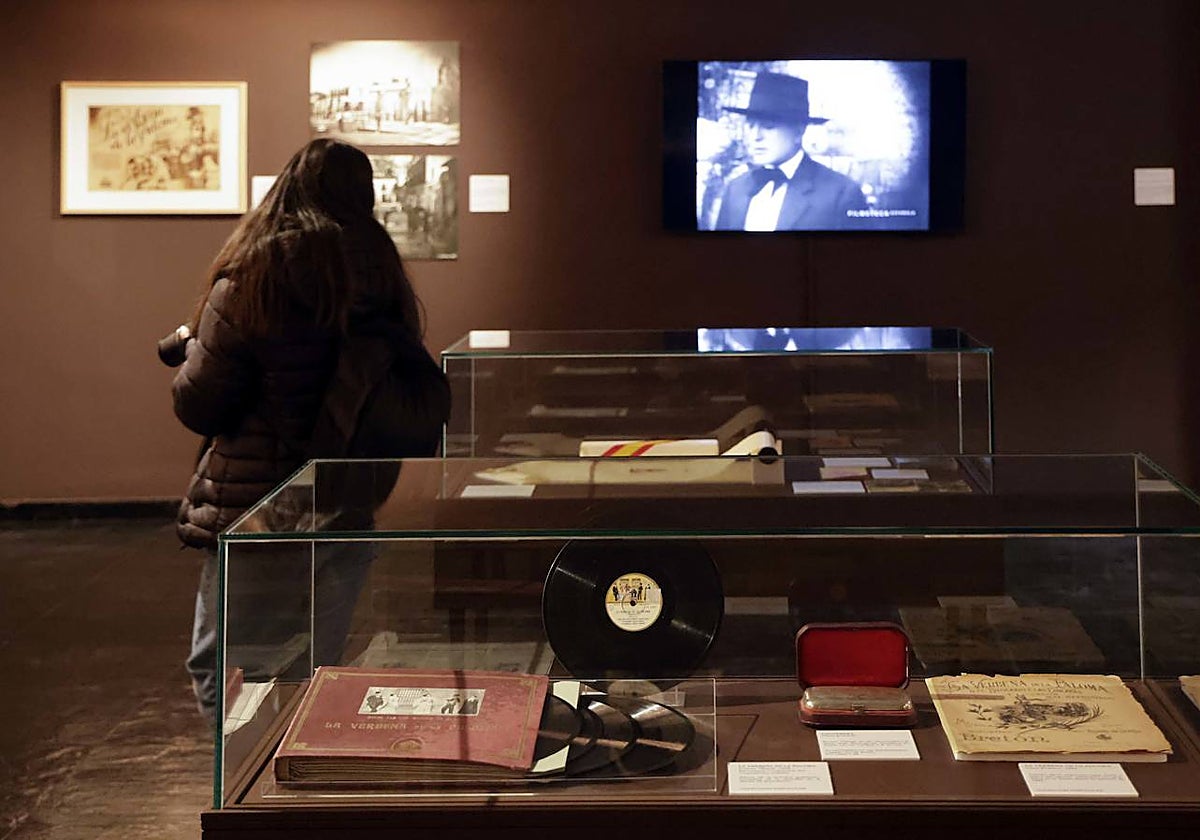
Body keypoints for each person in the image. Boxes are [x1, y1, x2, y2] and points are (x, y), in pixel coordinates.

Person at [171, 138, 447, 730]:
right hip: (350, 495)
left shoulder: (254, 277)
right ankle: (299, 787)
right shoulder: (380, 274)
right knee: (319, 666)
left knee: (222, 664)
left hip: (259, 504)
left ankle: (248, 796)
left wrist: (194, 350)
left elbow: (201, 402)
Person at [714, 71, 866, 231]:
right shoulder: (735, 189)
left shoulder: (841, 194)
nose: (755, 136)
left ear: (799, 130)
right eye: (751, 125)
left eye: (768, 126)